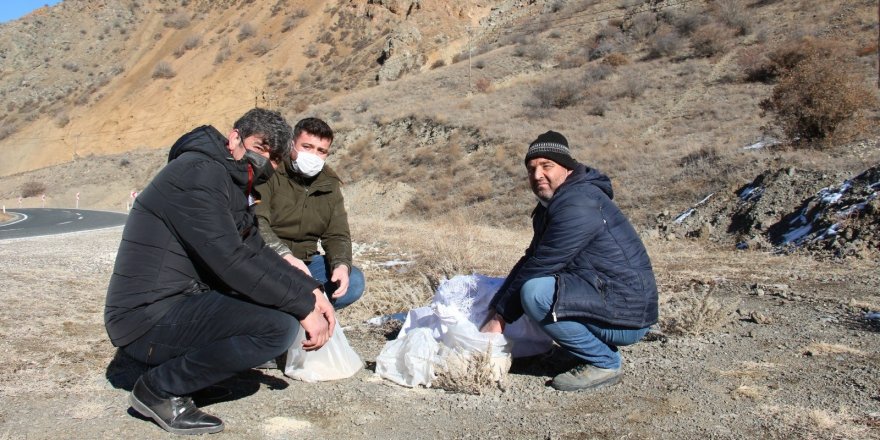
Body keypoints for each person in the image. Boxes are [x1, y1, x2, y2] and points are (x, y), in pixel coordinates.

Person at [105, 108, 336, 435]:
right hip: (145, 319)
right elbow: (230, 261)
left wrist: (310, 291)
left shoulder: (229, 181)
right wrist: (301, 309)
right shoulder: (198, 175)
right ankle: (159, 389)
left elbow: (255, 249)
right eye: (259, 149)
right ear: (234, 138)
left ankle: (194, 379)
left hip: (176, 303)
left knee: (276, 307)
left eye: (272, 158)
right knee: (277, 327)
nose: (263, 162)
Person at [481, 131, 658, 392]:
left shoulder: (577, 203)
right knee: (527, 289)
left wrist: (500, 319)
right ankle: (586, 349)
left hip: (627, 312)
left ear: (567, 167)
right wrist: (496, 307)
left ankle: (604, 361)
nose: (537, 175)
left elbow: (542, 264)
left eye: (546, 166)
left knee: (535, 293)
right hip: (606, 296)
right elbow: (530, 258)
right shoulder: (553, 204)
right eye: (531, 169)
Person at [255, 117, 365, 310]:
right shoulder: (271, 171)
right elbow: (257, 221)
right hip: (267, 259)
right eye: (307, 146)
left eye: (321, 151)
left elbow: (337, 234)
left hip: (306, 262)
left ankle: (301, 311)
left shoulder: (329, 183)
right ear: (292, 144)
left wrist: (341, 265)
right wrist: (285, 256)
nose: (314, 155)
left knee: (354, 281)